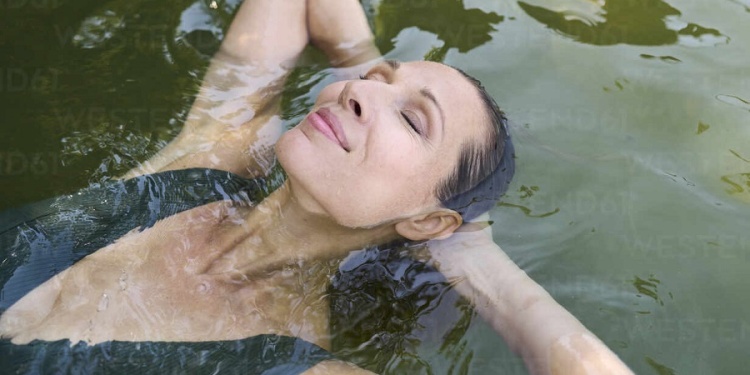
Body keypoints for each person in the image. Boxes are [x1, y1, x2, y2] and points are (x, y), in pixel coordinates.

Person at [0, 0, 634, 374]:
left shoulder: (297, 364)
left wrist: (471, 252)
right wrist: (363, 63)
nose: (360, 93)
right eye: (375, 83)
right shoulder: (198, 167)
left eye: (413, 120)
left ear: (428, 220)